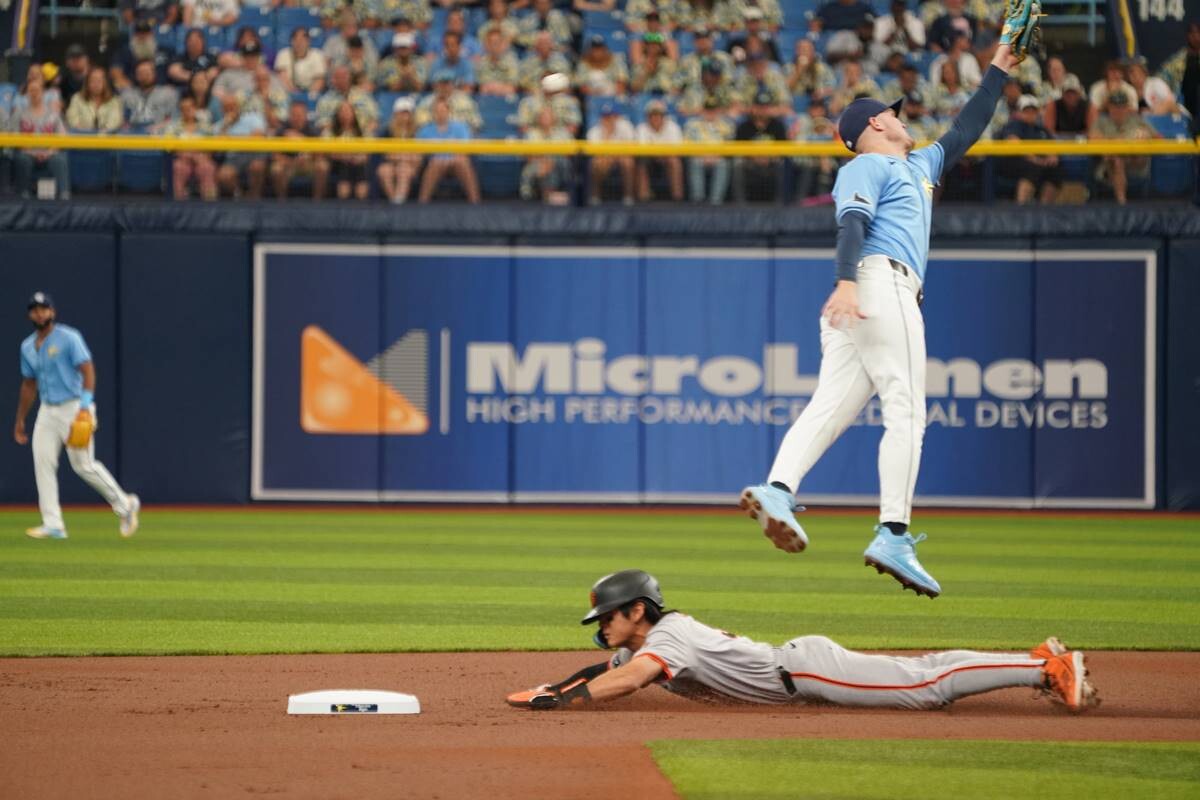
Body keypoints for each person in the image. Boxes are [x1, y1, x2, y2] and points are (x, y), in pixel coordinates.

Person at [739, 13, 1033, 598]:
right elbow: (852, 222)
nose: (904, 117)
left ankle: (778, 489)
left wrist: (1000, 64)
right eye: (895, 112)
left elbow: (966, 128)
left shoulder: (916, 165)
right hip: (878, 284)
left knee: (832, 404)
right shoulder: (868, 164)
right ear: (877, 121)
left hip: (867, 294)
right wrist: (847, 281)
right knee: (907, 408)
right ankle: (893, 532)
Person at [506, 570, 1098, 712]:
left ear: (637, 611)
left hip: (804, 671)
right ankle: (1037, 659)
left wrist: (567, 702)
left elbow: (629, 680)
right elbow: (602, 666)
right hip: (801, 667)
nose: (604, 627)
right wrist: (553, 688)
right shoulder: (647, 640)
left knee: (922, 686)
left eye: (609, 617)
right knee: (923, 668)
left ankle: (1047, 671)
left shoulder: (670, 636)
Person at [14, 293, 141, 541]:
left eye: (44, 309)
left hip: (74, 407)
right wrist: (20, 419)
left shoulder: (68, 337)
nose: (40, 313)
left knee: (83, 465)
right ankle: (53, 524)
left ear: (52, 312)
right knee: (42, 462)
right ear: (30, 314)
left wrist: (85, 407)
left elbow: (87, 369)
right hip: (47, 410)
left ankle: (125, 505)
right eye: (35, 310)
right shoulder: (27, 346)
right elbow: (29, 384)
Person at [1089, 90, 1157, 205]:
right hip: (1109, 164)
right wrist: (1119, 143)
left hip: (1135, 162)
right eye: (1115, 106)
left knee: (1128, 154)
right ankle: (1122, 203)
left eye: (1121, 107)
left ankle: (1122, 202)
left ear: (1127, 108)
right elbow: (1092, 140)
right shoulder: (1101, 121)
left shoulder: (1137, 121)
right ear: (1109, 107)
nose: (1118, 110)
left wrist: (1146, 138)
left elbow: (1158, 138)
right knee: (1117, 159)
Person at [11, 73, 70, 200]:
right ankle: (23, 194)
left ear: (43, 92)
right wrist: (32, 152)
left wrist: (49, 152)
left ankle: (64, 194)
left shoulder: (53, 114)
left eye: (37, 90)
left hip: (49, 152)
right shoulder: (19, 114)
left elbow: (62, 137)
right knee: (22, 159)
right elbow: (14, 137)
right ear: (26, 94)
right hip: (27, 152)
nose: (34, 93)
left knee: (59, 159)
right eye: (31, 90)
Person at [415, 97, 481, 203]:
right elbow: (419, 151)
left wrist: (448, 157)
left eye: (443, 110)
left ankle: (475, 201)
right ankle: (423, 201)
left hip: (456, 160)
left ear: (449, 111)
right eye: (437, 111)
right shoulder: (425, 130)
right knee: (436, 163)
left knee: (462, 162)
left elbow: (465, 149)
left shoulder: (460, 127)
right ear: (433, 112)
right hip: (434, 162)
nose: (440, 113)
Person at [998, 94, 1059, 204]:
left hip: (1039, 163)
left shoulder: (1041, 129)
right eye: (1026, 111)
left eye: (1033, 111)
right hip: (1012, 163)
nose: (1030, 114)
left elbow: (1052, 145)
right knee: (1032, 169)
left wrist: (1052, 156)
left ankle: (1046, 209)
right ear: (1019, 112)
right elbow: (1013, 142)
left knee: (1055, 170)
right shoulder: (1014, 124)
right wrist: (1034, 159)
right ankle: (1022, 208)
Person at [732, 89, 787, 203]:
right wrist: (754, 156)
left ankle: (779, 204)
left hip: (771, 162)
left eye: (766, 107)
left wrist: (769, 156)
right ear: (753, 108)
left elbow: (785, 148)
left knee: (782, 164)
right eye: (759, 106)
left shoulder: (777, 126)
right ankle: (740, 204)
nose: (762, 110)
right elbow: (737, 149)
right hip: (750, 163)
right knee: (738, 164)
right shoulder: (744, 126)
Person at [165, 95, 219, 200]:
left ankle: (210, 205)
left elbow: (213, 146)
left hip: (202, 158)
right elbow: (168, 147)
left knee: (207, 168)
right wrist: (185, 154)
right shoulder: (173, 126)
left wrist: (203, 156)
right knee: (178, 168)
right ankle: (178, 205)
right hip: (182, 159)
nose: (187, 111)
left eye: (190, 108)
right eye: (184, 109)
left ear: (195, 109)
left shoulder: (205, 125)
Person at [215, 94, 268, 197]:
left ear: (238, 106)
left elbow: (258, 137)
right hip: (234, 157)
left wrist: (233, 139)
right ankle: (239, 196)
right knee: (224, 176)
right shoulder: (219, 126)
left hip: (254, 153)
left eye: (233, 106)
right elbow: (219, 148)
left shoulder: (253, 117)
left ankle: (254, 196)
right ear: (222, 109)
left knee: (257, 167)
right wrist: (226, 125)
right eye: (227, 107)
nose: (231, 109)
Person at [683, 97, 733, 204]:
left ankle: (716, 201)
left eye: (713, 109)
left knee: (723, 164)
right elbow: (686, 144)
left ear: (718, 110)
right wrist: (702, 155)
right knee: (695, 162)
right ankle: (698, 200)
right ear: (702, 110)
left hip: (719, 157)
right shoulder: (692, 125)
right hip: (698, 156)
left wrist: (717, 155)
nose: (710, 112)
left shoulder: (727, 125)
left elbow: (731, 145)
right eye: (708, 109)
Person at [520, 106, 573, 204]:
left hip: (558, 164)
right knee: (534, 168)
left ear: (554, 117)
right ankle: (543, 195)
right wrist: (543, 161)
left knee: (560, 163)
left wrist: (550, 160)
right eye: (543, 116)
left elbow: (568, 153)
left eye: (548, 115)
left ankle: (551, 194)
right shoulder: (531, 133)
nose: (546, 118)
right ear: (538, 118)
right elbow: (527, 156)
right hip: (538, 163)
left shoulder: (563, 132)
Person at [586, 101, 636, 205]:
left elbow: (631, 149)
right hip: (604, 158)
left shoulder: (625, 126)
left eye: (612, 116)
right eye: (606, 116)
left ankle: (628, 196)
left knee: (628, 162)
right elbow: (596, 154)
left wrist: (613, 155)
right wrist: (607, 135)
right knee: (596, 163)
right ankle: (596, 196)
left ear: (617, 117)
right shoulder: (594, 131)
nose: (609, 119)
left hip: (620, 157)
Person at [635, 100, 684, 201]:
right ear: (647, 117)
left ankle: (677, 198)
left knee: (674, 162)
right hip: (649, 159)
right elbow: (642, 150)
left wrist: (662, 154)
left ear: (664, 116)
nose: (655, 118)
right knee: (641, 162)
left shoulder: (673, 127)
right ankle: (643, 198)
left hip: (667, 158)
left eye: (659, 115)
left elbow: (677, 150)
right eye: (653, 115)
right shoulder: (641, 128)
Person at [376, 96, 422, 203]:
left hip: (411, 165)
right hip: (391, 164)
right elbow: (385, 155)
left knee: (403, 169)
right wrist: (400, 156)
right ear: (395, 114)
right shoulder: (386, 131)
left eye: (407, 113)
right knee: (384, 170)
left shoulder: (418, 131)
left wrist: (401, 157)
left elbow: (419, 156)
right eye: (402, 112)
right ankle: (393, 201)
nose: (404, 116)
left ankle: (400, 201)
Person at [121, 58, 179, 131]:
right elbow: (121, 119)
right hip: (132, 133)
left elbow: (175, 118)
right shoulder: (127, 94)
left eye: (147, 72)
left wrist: (159, 127)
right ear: (135, 75)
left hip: (159, 133)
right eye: (141, 73)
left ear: (154, 73)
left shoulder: (168, 93)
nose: (144, 76)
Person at [65, 66, 123, 132]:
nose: (96, 84)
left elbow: (114, 123)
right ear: (87, 83)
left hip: (107, 139)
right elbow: (73, 120)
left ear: (105, 83)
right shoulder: (76, 99)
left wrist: (100, 134)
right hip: (81, 138)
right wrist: (87, 133)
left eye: (99, 81)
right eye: (93, 80)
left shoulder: (114, 101)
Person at [275, 27, 329, 96]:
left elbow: (320, 79)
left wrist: (308, 96)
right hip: (289, 93)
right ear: (291, 41)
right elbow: (282, 78)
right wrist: (295, 94)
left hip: (312, 92)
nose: (299, 43)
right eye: (296, 40)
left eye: (302, 40)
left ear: (308, 41)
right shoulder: (283, 54)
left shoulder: (317, 55)